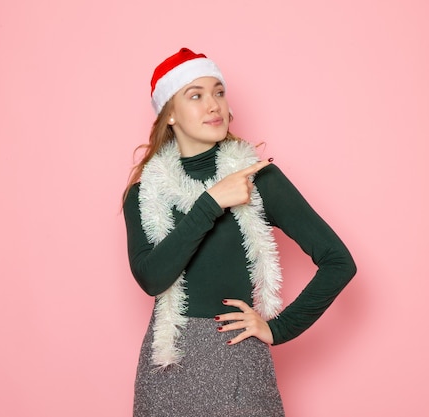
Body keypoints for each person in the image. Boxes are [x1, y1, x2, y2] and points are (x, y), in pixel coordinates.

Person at [122, 47, 357, 417]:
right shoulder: (144, 192)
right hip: (168, 367)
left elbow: (338, 262)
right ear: (169, 115)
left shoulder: (258, 179)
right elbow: (152, 277)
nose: (213, 105)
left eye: (218, 92)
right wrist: (212, 201)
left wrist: (279, 329)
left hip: (238, 362)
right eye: (195, 95)